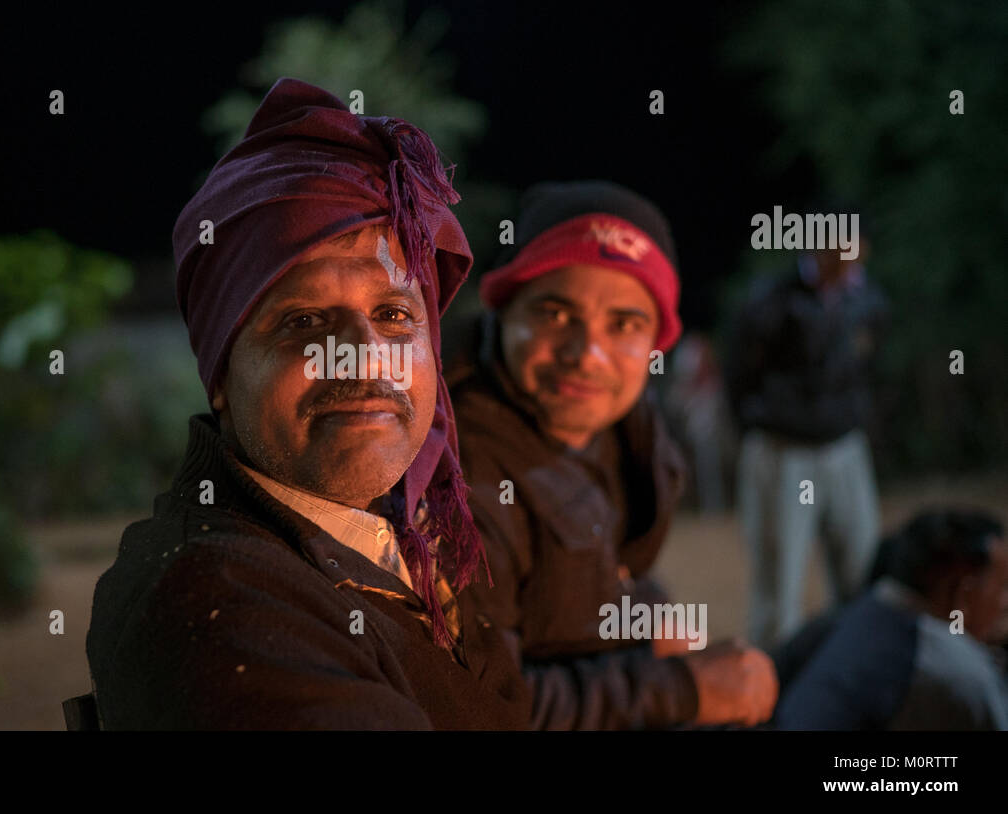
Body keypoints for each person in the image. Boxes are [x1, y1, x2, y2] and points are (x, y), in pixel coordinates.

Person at [86, 78, 530, 729]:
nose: (363, 354)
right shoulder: (211, 600)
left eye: (393, 313)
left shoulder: (405, 540)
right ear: (220, 376)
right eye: (302, 322)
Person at [448, 180, 777, 729]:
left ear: (655, 343)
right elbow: (481, 708)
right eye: (555, 314)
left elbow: (599, 570)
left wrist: (645, 615)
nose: (587, 355)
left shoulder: (626, 428)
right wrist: (678, 690)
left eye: (623, 325)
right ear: (503, 310)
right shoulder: (457, 473)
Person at [726, 213, 888, 649]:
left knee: (863, 575)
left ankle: (858, 678)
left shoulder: (866, 299)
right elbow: (738, 372)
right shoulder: (772, 301)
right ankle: (774, 696)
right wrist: (760, 421)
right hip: (783, 454)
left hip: (844, 450)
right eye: (843, 247)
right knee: (779, 590)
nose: (853, 258)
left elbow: (869, 368)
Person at [777, 509, 1008, 730]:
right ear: (961, 591)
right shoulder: (959, 672)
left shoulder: (855, 616)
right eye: (1001, 587)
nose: (1004, 603)